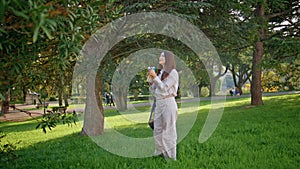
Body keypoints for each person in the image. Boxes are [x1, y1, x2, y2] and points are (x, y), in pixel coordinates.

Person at [147, 51, 179, 160]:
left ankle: (171, 158)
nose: (160, 57)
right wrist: (151, 81)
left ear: (168, 59)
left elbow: (164, 88)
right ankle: (159, 153)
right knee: (157, 130)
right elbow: (155, 90)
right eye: (160, 55)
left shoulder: (173, 72)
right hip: (159, 103)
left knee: (169, 131)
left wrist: (155, 77)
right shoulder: (161, 73)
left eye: (162, 55)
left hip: (168, 102)